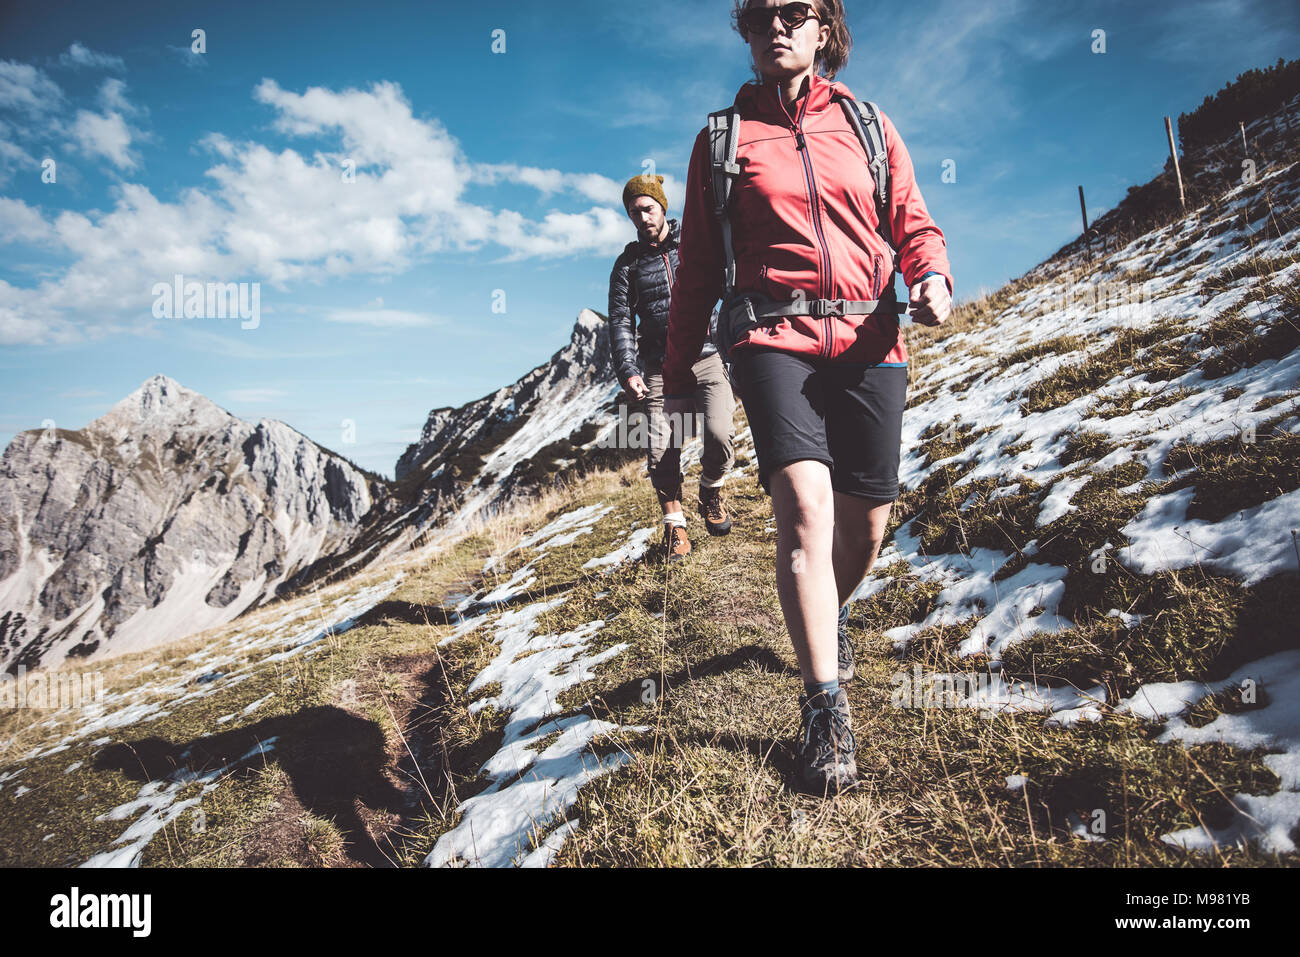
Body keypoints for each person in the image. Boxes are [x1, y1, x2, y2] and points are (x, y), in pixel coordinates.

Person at [661, 0, 953, 794]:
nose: (777, 26)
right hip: (768, 340)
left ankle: (829, 611)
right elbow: (694, 267)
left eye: (797, 12)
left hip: (870, 341)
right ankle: (824, 707)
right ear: (747, 35)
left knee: (866, 521)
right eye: (761, 16)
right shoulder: (722, 141)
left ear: (825, 28)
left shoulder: (867, 124)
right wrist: (677, 366)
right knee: (806, 514)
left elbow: (912, 221)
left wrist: (930, 275)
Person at [608, 174, 738, 561]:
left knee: (719, 433)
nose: (642, 217)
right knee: (661, 450)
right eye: (634, 212)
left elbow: (727, 287)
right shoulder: (627, 265)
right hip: (659, 367)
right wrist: (628, 370)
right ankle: (676, 529)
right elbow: (619, 322)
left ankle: (711, 490)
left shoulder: (695, 244)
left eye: (647, 208)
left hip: (707, 354)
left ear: (663, 207)